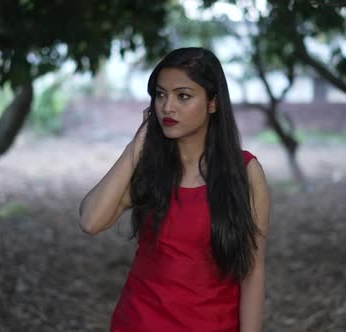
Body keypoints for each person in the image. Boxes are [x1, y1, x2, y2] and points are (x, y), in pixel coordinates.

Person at [78, 47, 270, 332]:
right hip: (138, 322)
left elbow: (252, 272)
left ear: (213, 103)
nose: (167, 107)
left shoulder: (245, 172)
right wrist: (136, 146)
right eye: (160, 94)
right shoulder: (149, 170)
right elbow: (91, 221)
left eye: (183, 96)